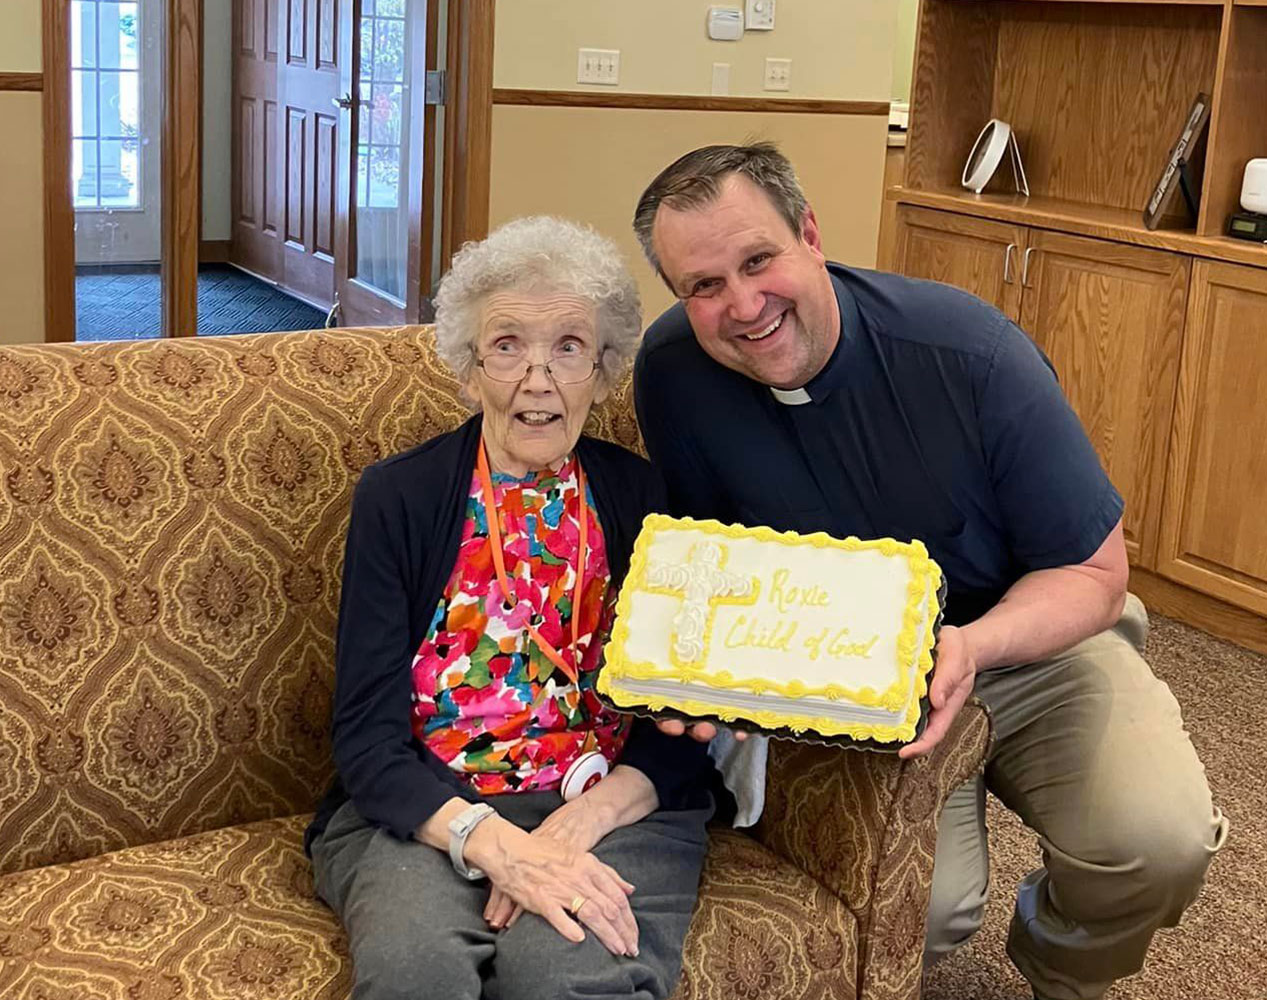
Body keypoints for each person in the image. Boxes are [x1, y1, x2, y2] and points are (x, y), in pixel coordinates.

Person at [629, 142, 1227, 1000]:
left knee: (1152, 843)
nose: (743, 305)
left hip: (1026, 637)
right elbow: (703, 560)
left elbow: (1094, 571)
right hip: (850, 674)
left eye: (758, 260)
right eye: (704, 286)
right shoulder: (674, 372)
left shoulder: (970, 354)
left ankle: (1059, 964)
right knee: (930, 910)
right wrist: (690, 685)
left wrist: (973, 647)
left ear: (809, 233)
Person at [305, 215, 715, 1000]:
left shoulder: (643, 500)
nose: (538, 378)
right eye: (506, 347)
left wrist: (572, 830)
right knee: (413, 976)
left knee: (569, 976)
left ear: (602, 371)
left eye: (568, 347)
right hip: (427, 805)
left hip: (611, 800)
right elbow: (365, 735)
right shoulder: (401, 498)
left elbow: (679, 723)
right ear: (466, 369)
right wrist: (493, 843)